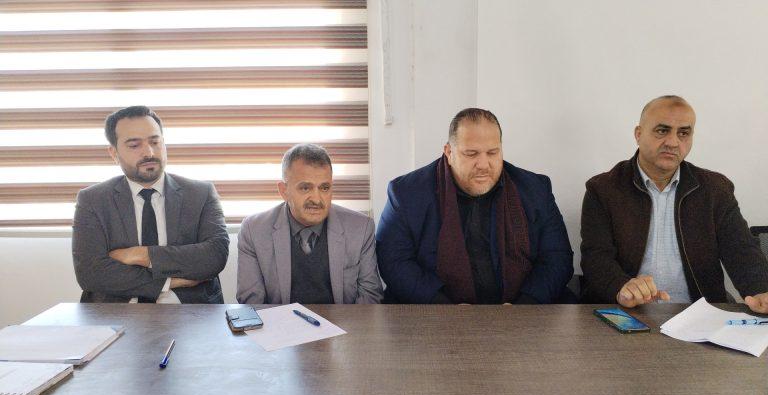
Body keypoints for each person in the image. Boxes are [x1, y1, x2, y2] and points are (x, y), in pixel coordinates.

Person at [580, 95, 768, 312]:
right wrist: (621, 287)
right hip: (627, 311)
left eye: (683, 133)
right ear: (638, 134)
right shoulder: (603, 189)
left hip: (699, 312)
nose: (672, 142)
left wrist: (761, 290)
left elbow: (741, 250)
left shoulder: (715, 189)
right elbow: (596, 258)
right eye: (662, 131)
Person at [376, 108, 573, 304]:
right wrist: (445, 308)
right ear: (449, 152)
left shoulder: (535, 190)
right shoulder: (406, 193)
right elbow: (394, 261)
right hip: (434, 311)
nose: (483, 164)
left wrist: (523, 307)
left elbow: (557, 258)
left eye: (492, 153)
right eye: (471, 154)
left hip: (523, 310)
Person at [72, 106, 229, 303]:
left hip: (191, 311)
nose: (149, 152)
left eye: (155, 142)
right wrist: (167, 282)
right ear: (114, 153)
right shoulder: (93, 200)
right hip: (117, 312)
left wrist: (142, 255)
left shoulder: (200, 193)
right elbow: (90, 272)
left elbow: (214, 256)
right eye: (134, 145)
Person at [237, 144, 383, 304]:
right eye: (305, 188)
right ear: (284, 191)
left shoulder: (361, 228)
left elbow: (370, 298)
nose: (316, 199)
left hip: (344, 320)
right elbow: (252, 304)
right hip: (280, 320)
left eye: (324, 188)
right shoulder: (253, 230)